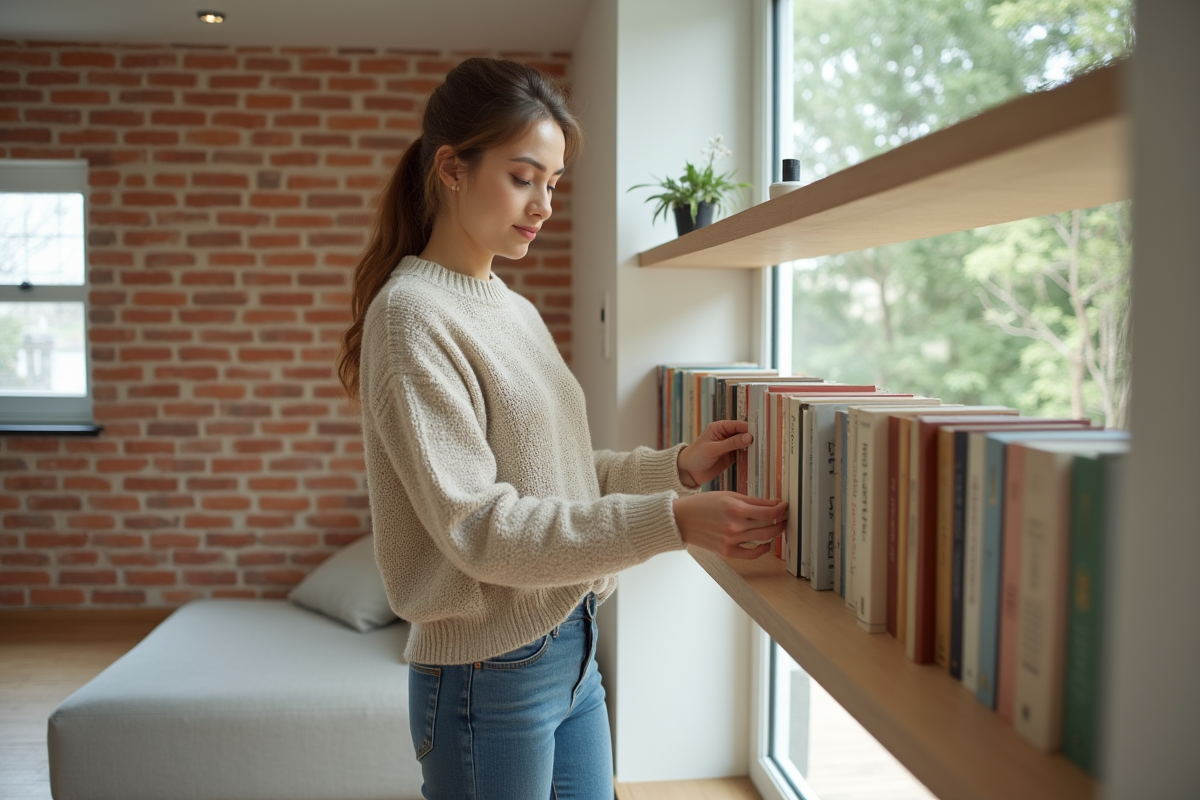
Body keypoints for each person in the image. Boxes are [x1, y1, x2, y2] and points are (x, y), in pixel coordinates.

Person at [336, 57, 788, 800]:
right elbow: (481, 528)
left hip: (572, 643)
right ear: (452, 168)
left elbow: (562, 475)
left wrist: (675, 467)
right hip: (487, 675)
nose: (543, 204)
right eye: (523, 176)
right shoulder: (411, 314)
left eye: (552, 182)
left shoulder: (512, 307)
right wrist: (670, 521)